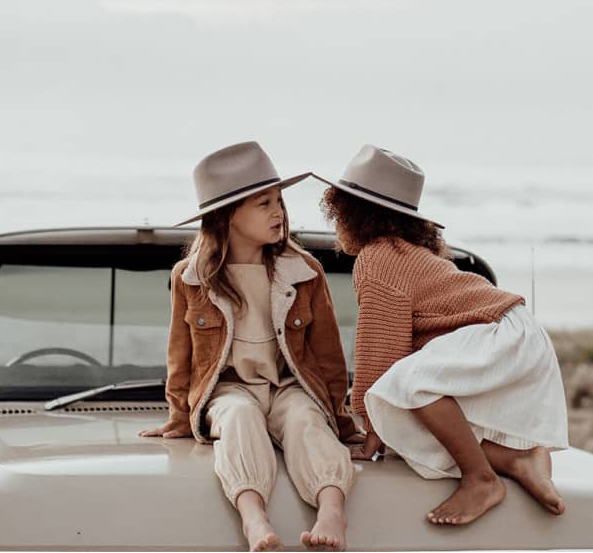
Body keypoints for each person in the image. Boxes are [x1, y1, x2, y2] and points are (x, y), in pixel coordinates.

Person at [315, 144, 569, 527]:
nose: (335, 226)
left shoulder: (378, 258)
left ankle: (480, 479)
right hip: (518, 331)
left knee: (405, 387)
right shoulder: (407, 253)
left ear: (353, 214)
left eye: (337, 215)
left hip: (498, 331)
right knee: (405, 415)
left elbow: (379, 348)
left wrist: (370, 428)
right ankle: (516, 459)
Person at [140, 141, 359, 552]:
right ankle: (253, 516)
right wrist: (180, 417)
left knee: (304, 420)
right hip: (230, 389)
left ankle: (331, 508)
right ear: (228, 216)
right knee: (238, 417)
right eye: (263, 204)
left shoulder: (303, 271)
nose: (278, 212)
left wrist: (344, 424)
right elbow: (180, 354)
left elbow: (328, 355)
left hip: (290, 386)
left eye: (279, 201)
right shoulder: (191, 277)